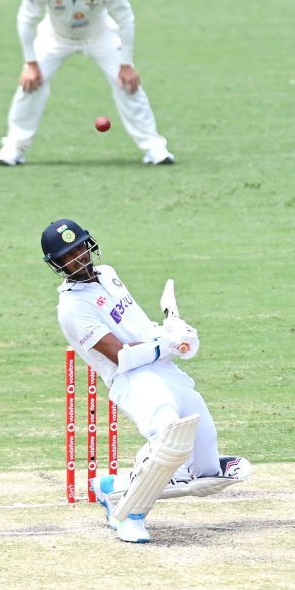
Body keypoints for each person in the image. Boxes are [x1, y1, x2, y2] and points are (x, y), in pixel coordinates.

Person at [41, 218, 220, 543]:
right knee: (168, 438)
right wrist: (167, 344)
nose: (79, 256)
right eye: (68, 255)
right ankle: (128, 515)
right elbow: (120, 354)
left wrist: (171, 333)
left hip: (163, 368)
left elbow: (137, 325)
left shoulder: (107, 273)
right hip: (132, 379)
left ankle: (112, 487)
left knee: (206, 462)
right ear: (57, 264)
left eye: (80, 247)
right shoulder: (71, 308)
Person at [0, 0, 173, 167]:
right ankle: (14, 147)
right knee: (31, 84)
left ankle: (154, 147)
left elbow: (126, 19)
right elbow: (26, 20)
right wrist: (31, 63)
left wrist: (126, 64)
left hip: (100, 36)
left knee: (128, 84)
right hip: (55, 37)